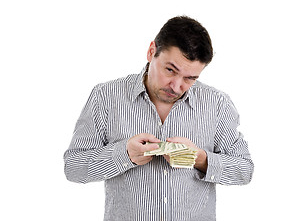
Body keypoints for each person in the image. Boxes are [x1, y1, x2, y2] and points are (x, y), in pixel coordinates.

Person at [64, 16, 254, 221]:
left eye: (190, 78)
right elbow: (74, 167)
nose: (176, 86)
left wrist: (200, 159)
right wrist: (124, 155)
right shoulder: (106, 96)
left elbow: (244, 170)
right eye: (170, 70)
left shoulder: (217, 104)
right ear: (151, 51)